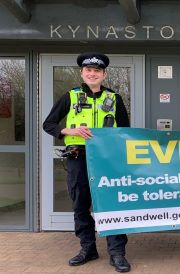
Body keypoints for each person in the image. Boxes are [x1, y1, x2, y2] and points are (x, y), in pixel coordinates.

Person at [43, 52, 131, 272]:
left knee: (111, 204)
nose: (93, 74)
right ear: (82, 73)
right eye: (88, 70)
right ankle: (88, 249)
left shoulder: (113, 98)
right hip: (77, 157)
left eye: (97, 71)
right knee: (81, 204)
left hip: (106, 158)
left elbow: (124, 131)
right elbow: (49, 124)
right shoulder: (70, 96)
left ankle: (117, 253)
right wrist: (69, 130)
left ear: (104, 74)